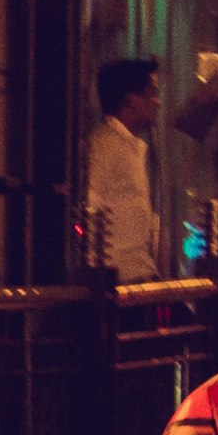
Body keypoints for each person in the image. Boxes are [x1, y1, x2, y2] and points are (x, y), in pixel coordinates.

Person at [82, 59, 165, 279]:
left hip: (138, 279)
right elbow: (89, 206)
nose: (158, 102)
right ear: (131, 101)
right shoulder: (105, 146)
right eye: (152, 93)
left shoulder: (132, 148)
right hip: (119, 283)